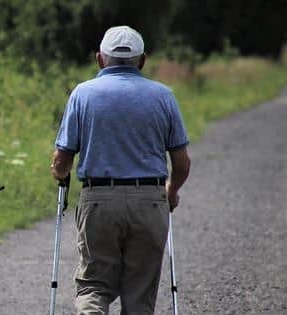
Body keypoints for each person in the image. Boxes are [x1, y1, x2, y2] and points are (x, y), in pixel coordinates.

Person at [51, 26, 191, 314]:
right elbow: (182, 163)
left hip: (99, 200)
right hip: (149, 201)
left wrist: (60, 174)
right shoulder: (164, 96)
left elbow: (62, 160)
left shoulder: (83, 94)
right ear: (143, 60)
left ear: (100, 59)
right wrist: (171, 190)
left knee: (93, 287)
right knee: (139, 294)